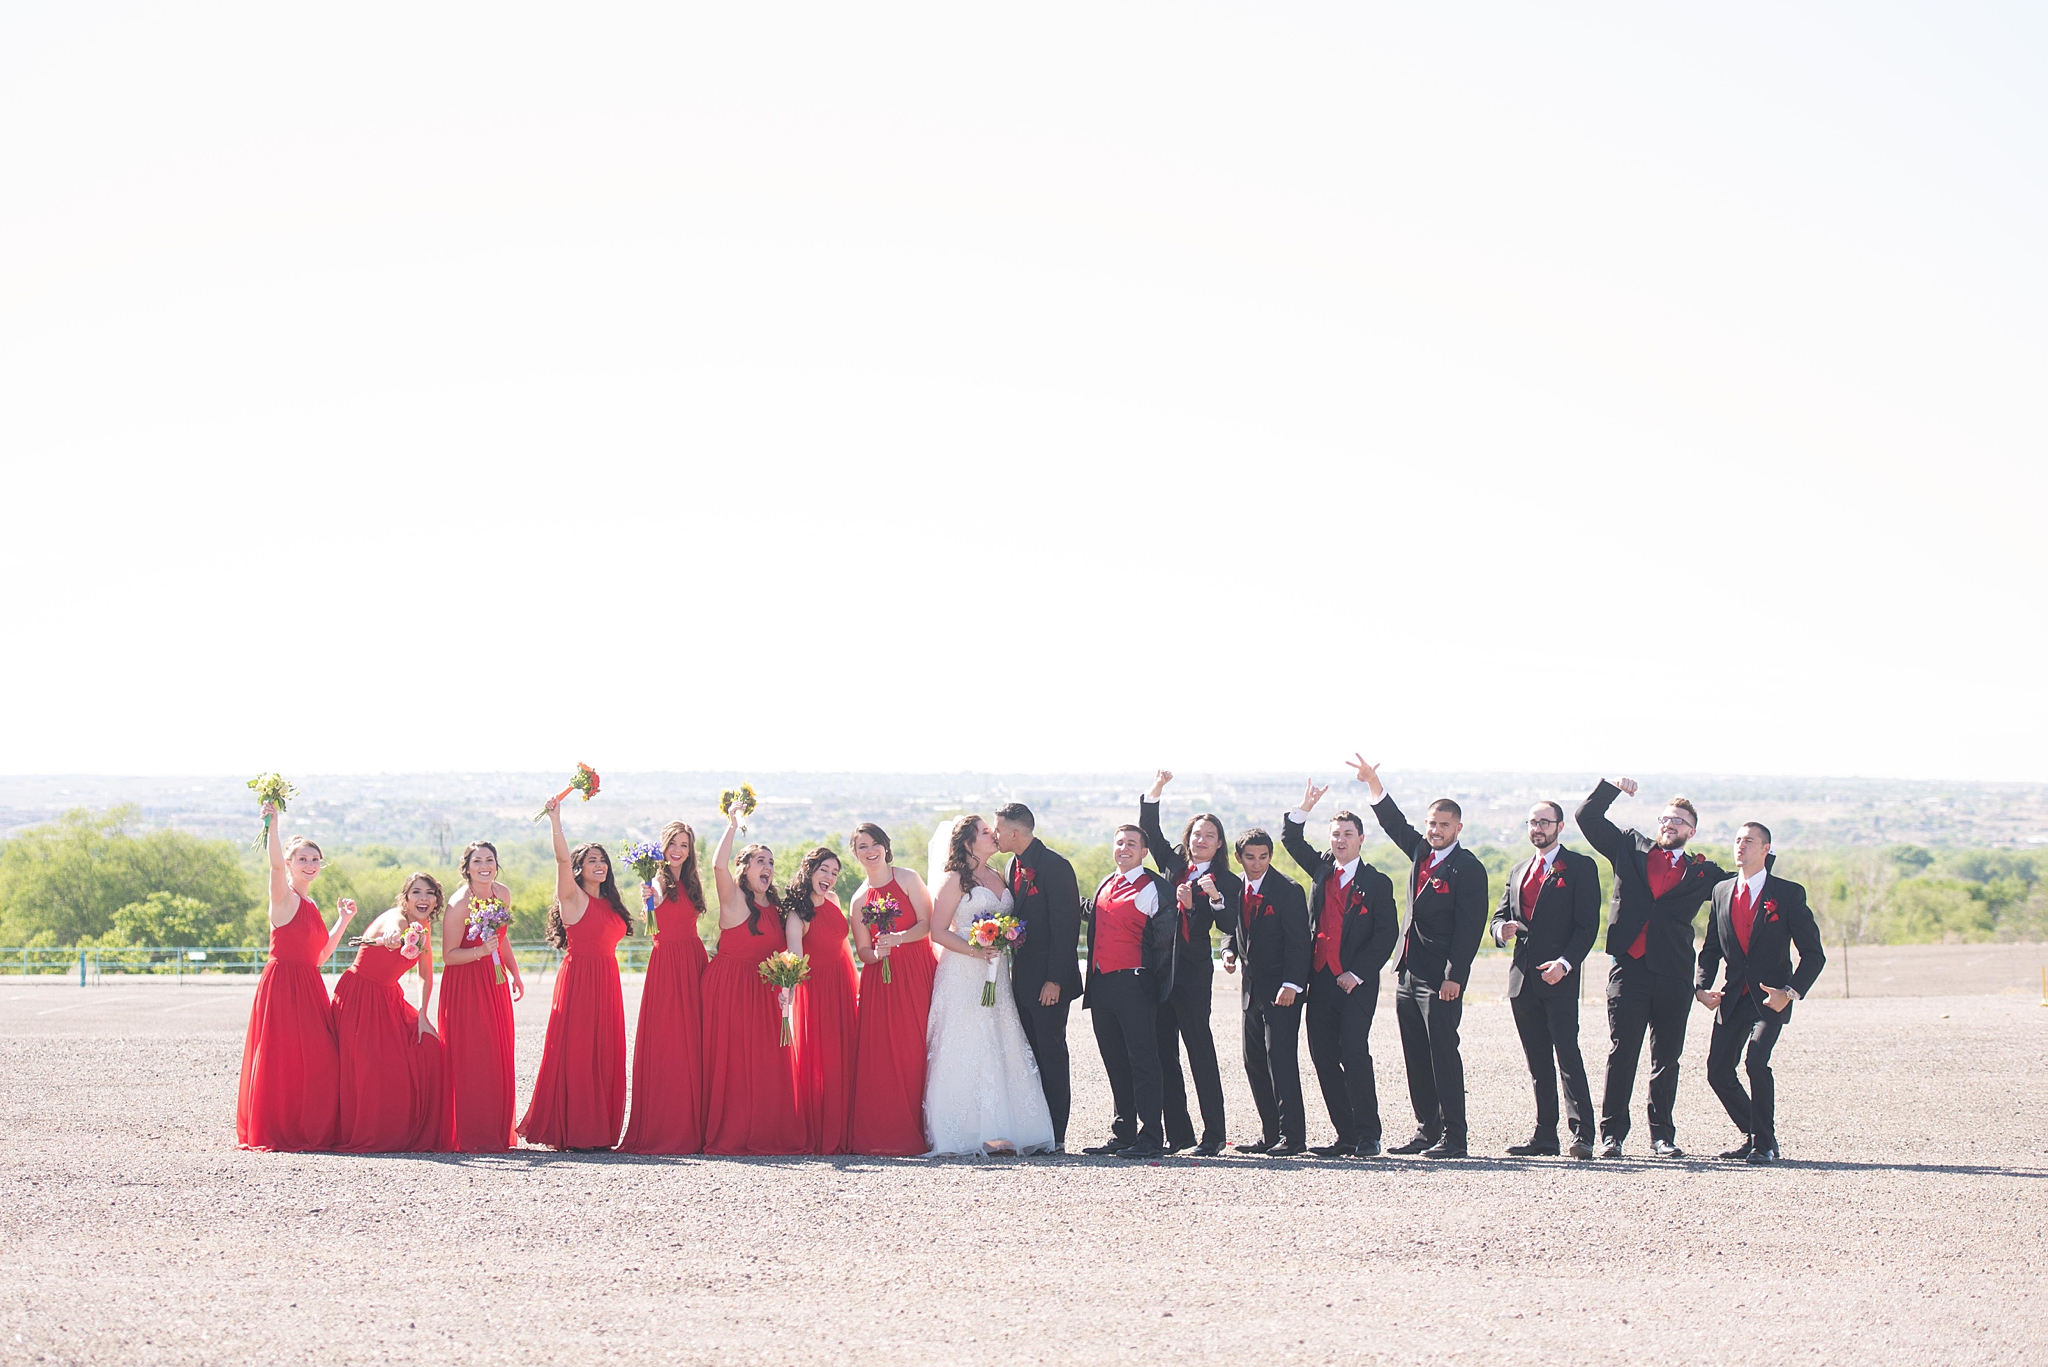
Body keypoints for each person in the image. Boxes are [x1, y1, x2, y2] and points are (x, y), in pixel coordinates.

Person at [1577, 776, 1729, 1158]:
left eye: (1678, 820)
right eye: (1665, 818)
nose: (1669, 824)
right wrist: (1611, 787)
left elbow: (1743, 885)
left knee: (1667, 1059)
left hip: (1674, 973)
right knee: (1622, 1053)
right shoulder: (1630, 847)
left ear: (1691, 831)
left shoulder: (1703, 872)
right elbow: (1587, 817)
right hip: (1629, 967)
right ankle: (1612, 1136)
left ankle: (1662, 1136)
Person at [1353, 757, 1488, 1158]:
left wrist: (1454, 976)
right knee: (1415, 1054)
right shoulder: (1419, 852)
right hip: (1408, 972)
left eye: (1444, 825)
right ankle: (1427, 1130)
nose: (1435, 830)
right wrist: (1374, 783)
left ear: (1458, 829)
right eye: (1432, 823)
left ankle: (1455, 1137)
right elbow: (1393, 823)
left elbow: (1469, 929)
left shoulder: (1469, 868)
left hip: (1441, 978)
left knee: (1443, 1053)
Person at [922, 815, 1056, 1156]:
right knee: (968, 1042)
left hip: (998, 972)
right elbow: (937, 931)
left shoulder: (999, 874)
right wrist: (975, 949)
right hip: (965, 971)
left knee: (1001, 1039)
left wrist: (1010, 937)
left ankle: (1004, 1126)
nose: (993, 834)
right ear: (968, 842)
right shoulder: (954, 880)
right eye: (985, 832)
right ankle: (965, 1129)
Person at [1696, 822, 1825, 1165]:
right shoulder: (1721, 891)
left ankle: (1764, 1145)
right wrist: (1702, 986)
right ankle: (1753, 1134)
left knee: (1755, 1060)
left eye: (1749, 841)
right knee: (1718, 1072)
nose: (1740, 846)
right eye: (1737, 840)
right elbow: (1710, 949)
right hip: (1732, 996)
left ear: (1766, 849)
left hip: (1772, 997)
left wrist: (1791, 991)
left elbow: (1814, 954)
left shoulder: (1788, 893)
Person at [1282, 784, 1398, 1158]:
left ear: (1361, 839)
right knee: (1323, 1055)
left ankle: (1368, 1134)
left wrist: (1358, 972)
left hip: (1355, 984)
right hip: (1319, 981)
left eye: (1348, 834)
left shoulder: (1377, 883)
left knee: (1354, 1051)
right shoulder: (1320, 870)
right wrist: (1305, 807)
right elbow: (1290, 839)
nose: (1341, 839)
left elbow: (1386, 934)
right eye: (1336, 834)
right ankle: (1344, 1135)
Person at [237, 812, 355, 1152]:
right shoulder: (283, 897)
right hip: (284, 984)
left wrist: (343, 921)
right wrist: (272, 825)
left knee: (321, 1057)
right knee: (284, 1057)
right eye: (302, 858)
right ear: (289, 863)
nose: (310, 864)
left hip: (309, 983)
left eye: (315, 859)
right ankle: (280, 1129)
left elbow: (318, 957)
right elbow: (272, 868)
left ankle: (308, 1126)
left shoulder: (311, 903)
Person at [1489, 802, 1602, 1158]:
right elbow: (1500, 915)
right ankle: (1544, 1135)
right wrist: (1499, 931)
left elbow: (1588, 926)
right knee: (1537, 1060)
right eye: (1532, 822)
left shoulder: (1581, 867)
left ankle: (1583, 1133)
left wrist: (1565, 964)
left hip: (1560, 978)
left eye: (1544, 822)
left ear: (1560, 826)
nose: (1537, 828)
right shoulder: (1519, 869)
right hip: (1522, 980)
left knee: (1567, 1055)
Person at [517, 800, 630, 1150]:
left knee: (604, 1052)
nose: (599, 865)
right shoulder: (573, 898)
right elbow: (562, 860)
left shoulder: (611, 904)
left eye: (603, 860)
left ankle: (599, 1130)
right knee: (580, 1052)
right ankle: (578, 1130)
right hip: (580, 980)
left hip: (608, 981)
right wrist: (556, 821)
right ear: (579, 869)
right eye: (591, 860)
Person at [1139, 771, 1238, 1156]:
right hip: (1162, 969)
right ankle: (1178, 1133)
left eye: (1209, 836)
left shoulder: (1226, 879)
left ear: (1218, 844)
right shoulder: (1173, 863)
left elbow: (1230, 926)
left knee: (1200, 1051)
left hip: (1194, 973)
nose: (1201, 840)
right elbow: (1150, 827)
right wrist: (1157, 790)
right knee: (1165, 1052)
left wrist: (1206, 902)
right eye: (1197, 834)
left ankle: (1214, 1134)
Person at [700, 812, 804, 1155]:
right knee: (732, 1062)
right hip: (728, 987)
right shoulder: (733, 899)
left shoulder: (776, 906)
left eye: (771, 862)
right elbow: (717, 866)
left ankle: (767, 1130)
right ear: (744, 868)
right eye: (760, 861)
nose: (768, 867)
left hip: (764, 990)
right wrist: (731, 825)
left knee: (765, 1061)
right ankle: (730, 1133)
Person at [333, 872, 452, 1152]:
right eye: (417, 892)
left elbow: (425, 973)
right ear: (406, 897)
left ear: (436, 900)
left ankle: (411, 1131)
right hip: (360, 997)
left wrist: (423, 1014)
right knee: (370, 1066)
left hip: (388, 998)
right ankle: (371, 1133)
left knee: (429, 1048)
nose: (423, 898)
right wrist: (392, 937)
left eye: (430, 893)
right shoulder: (397, 919)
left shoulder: (422, 927)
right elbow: (394, 931)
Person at [1079, 824, 1177, 1159]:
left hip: (1135, 983)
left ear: (1144, 851)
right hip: (1102, 983)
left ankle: (1151, 1136)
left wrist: (1153, 985)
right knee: (1115, 1060)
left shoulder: (1153, 887)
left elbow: (1166, 943)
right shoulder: (1107, 882)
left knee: (1143, 1060)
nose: (1124, 848)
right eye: (1119, 842)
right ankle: (1123, 1133)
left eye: (1131, 844)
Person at [991, 803, 1082, 1151]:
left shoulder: (1055, 867)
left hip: (1049, 983)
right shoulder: (1012, 865)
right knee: (1029, 1055)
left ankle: (1056, 1135)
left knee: (1052, 1054)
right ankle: (1034, 1127)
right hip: (1022, 980)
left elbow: (1066, 927)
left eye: (998, 829)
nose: (994, 835)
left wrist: (1055, 980)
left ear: (1015, 833)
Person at [618, 820, 711, 1156]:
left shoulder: (691, 882)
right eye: (673, 843)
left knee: (696, 1042)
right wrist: (648, 899)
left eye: (684, 845)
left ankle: (696, 1124)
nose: (678, 850)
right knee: (670, 1041)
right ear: (663, 846)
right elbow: (652, 899)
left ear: (690, 851)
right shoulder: (658, 879)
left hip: (694, 960)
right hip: (669, 965)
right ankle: (667, 1125)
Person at [846, 823, 937, 1157]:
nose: (870, 852)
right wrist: (876, 953)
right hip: (880, 984)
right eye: (862, 847)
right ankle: (889, 1129)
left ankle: (927, 1125)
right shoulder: (858, 900)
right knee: (888, 1053)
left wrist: (898, 939)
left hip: (916, 969)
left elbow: (927, 924)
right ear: (855, 854)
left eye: (874, 844)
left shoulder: (908, 878)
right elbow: (863, 951)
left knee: (918, 1047)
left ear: (885, 846)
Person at [1221, 828, 1311, 1155]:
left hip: (1283, 989)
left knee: (1282, 1060)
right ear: (1238, 857)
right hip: (1251, 990)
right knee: (1254, 1061)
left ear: (1270, 856)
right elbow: (1234, 927)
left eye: (1263, 857)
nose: (1257, 864)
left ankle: (1293, 1137)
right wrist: (1228, 949)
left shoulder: (1289, 890)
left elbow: (1300, 942)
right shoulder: (1235, 888)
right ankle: (1270, 1133)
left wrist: (1292, 985)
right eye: (1250, 857)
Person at [441, 841, 523, 1153]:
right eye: (478, 861)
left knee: (497, 1052)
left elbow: (501, 939)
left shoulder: (502, 893)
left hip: (495, 981)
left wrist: (514, 972)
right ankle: (471, 1134)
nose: (484, 866)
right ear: (467, 867)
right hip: (465, 985)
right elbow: (448, 956)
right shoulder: (459, 903)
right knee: (473, 1054)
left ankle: (496, 1130)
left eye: (489, 860)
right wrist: (479, 952)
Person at [786, 845, 857, 1156]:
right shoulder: (796, 913)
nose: (829, 877)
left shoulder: (834, 900)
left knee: (844, 1057)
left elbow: (844, 947)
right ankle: (820, 1131)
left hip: (842, 986)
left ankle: (845, 1129)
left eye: (834, 873)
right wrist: (787, 999)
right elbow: (795, 962)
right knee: (822, 1060)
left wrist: (856, 984)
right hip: (815, 992)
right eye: (824, 870)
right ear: (809, 871)